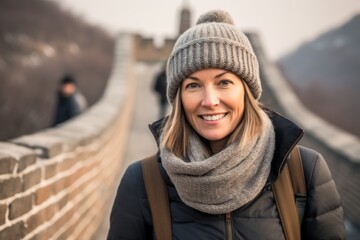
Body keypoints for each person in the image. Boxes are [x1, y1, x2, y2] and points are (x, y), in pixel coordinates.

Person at [107, 10, 345, 239]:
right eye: (193, 85)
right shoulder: (142, 181)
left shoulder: (304, 172)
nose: (209, 101)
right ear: (179, 98)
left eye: (224, 82)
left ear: (247, 91)